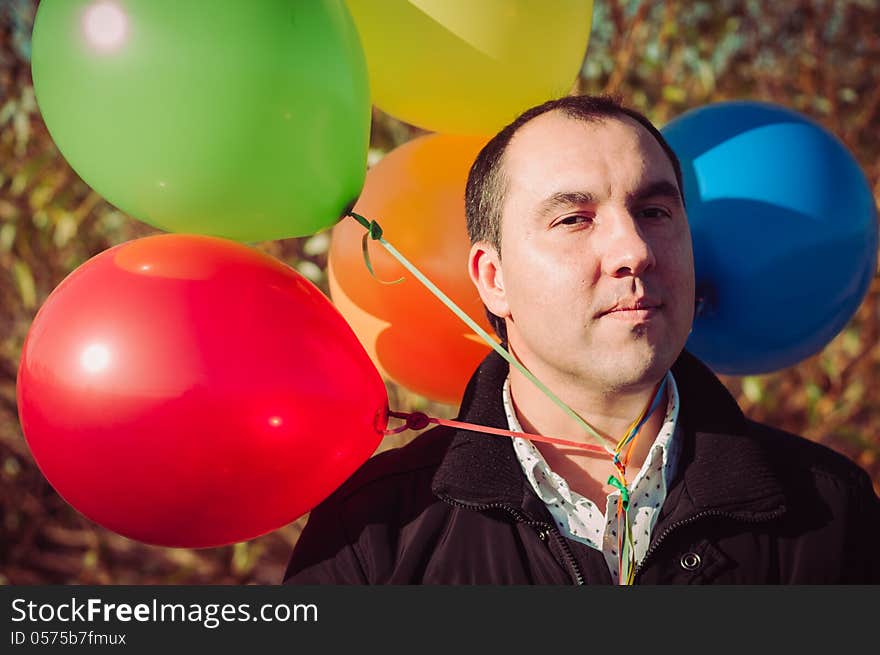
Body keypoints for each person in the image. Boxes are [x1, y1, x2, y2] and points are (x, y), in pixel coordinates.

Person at [283, 94, 880, 584]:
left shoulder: (832, 512)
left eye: (654, 212)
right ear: (494, 280)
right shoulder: (373, 536)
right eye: (574, 218)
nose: (635, 251)